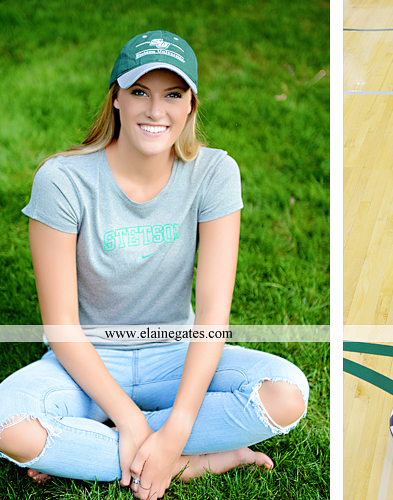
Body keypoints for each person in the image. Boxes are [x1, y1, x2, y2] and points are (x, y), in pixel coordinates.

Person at [0, 30, 308, 499]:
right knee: (8, 427)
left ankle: (99, 449)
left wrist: (180, 423)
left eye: (173, 94)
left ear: (191, 106)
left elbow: (211, 316)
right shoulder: (62, 181)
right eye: (140, 91)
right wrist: (126, 417)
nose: (155, 110)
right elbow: (61, 326)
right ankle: (193, 463)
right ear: (117, 98)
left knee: (287, 394)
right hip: (87, 359)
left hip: (175, 354)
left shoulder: (215, 173)